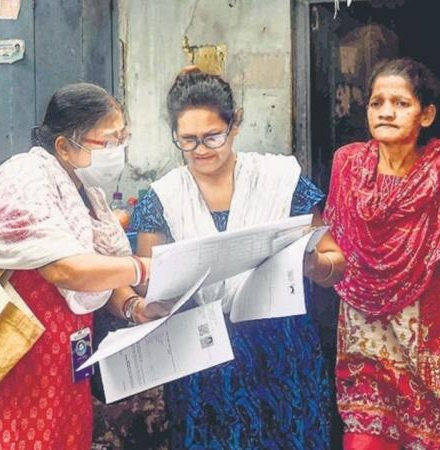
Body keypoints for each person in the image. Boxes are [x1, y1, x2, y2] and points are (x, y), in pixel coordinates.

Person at [0, 83, 168, 450]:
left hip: (68, 358)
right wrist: (143, 268)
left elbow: (101, 269)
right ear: (64, 146)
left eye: (122, 139)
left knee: (64, 435)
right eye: (108, 141)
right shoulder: (25, 181)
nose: (118, 151)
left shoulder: (86, 190)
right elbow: (66, 270)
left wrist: (132, 306)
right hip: (19, 357)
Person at [131, 67, 346, 449]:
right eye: (187, 140)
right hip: (204, 364)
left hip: (282, 358)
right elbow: (148, 283)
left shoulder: (279, 181)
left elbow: (335, 262)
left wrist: (313, 265)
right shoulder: (164, 198)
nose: (201, 150)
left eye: (213, 136)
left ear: (236, 124)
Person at [324, 58, 440, 449]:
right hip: (364, 332)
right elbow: (332, 240)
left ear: (426, 115)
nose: (386, 112)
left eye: (401, 103)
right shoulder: (347, 165)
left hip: (427, 331)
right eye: (376, 103)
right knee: (365, 438)